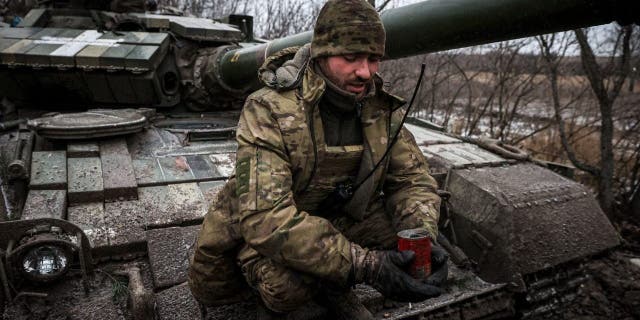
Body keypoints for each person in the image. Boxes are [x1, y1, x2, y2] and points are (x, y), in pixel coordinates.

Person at [189, 0, 448, 318]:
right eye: (351, 57)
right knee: (285, 288)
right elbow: (265, 218)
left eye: (374, 58)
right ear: (322, 53)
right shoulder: (270, 109)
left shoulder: (377, 107)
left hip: (340, 217)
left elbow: (411, 180)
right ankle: (311, 280)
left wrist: (421, 235)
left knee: (406, 249)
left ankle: (332, 271)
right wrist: (367, 266)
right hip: (271, 230)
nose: (364, 72)